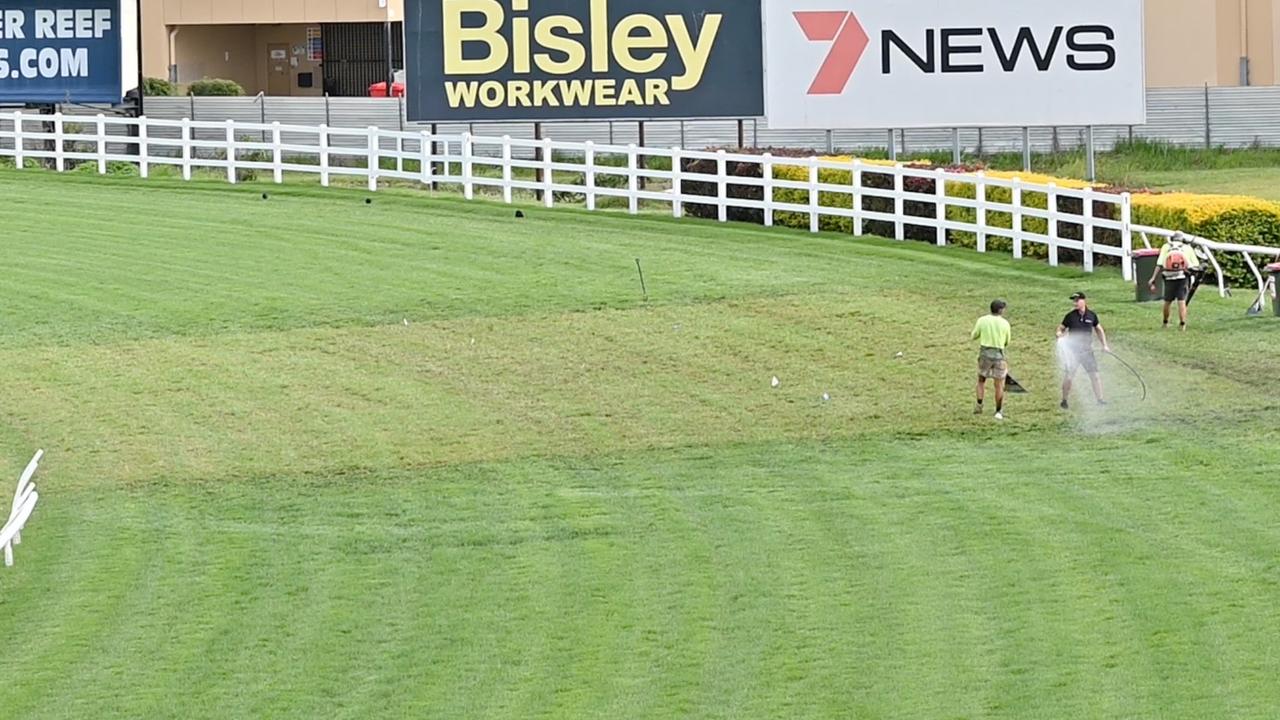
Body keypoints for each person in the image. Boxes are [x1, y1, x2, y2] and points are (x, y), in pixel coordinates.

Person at [1057, 292, 1111, 410]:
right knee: (1069, 376)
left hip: (1087, 352)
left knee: (1095, 376)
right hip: (1073, 353)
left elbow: (1099, 329)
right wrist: (1059, 334)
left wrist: (1104, 345)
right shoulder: (1070, 316)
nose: (1075, 303)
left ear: (1084, 301)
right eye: (1074, 301)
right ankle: (1064, 400)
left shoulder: (1091, 315)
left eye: (1077, 300)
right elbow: (1061, 328)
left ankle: (1100, 399)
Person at [1147, 232, 1201, 331]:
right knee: (1182, 301)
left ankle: (1165, 323)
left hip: (1168, 277)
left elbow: (1159, 264)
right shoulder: (1187, 248)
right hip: (1182, 277)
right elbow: (1195, 265)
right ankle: (1182, 325)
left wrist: (1153, 278)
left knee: (1167, 301)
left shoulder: (1166, 247)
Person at [971, 299, 1012, 421]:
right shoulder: (1005, 323)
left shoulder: (982, 320)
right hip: (998, 355)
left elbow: (974, 335)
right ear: (1001, 310)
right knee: (999, 384)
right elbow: (1007, 342)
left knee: (981, 380)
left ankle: (979, 404)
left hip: (984, 354)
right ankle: (998, 411)